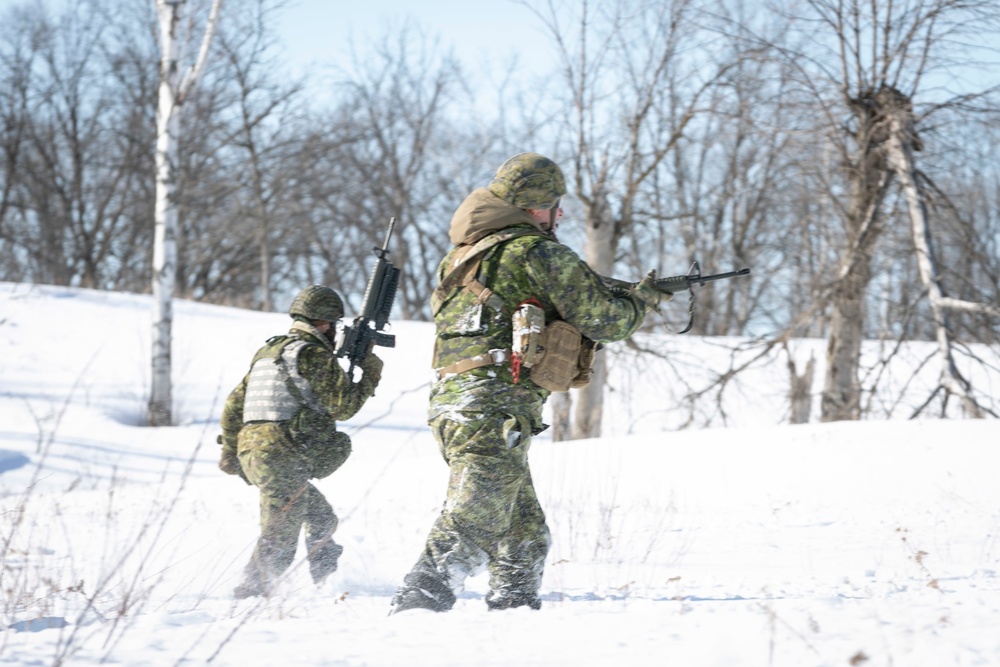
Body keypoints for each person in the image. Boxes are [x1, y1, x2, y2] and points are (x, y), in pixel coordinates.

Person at [389, 152, 668, 614]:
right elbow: (607, 321)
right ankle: (418, 605)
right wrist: (643, 300)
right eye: (556, 205)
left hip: (454, 407)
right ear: (536, 206)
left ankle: (515, 616)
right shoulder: (537, 252)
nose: (560, 214)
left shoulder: (458, 258)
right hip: (493, 408)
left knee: (524, 535)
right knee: (476, 519)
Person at [218, 285, 383, 599]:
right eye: (334, 326)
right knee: (281, 530)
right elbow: (343, 407)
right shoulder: (311, 353)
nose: (335, 333)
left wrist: (230, 452)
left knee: (321, 516)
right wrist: (370, 370)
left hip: (256, 452)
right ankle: (250, 593)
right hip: (280, 454)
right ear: (324, 324)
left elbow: (233, 405)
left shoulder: (268, 352)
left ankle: (327, 578)